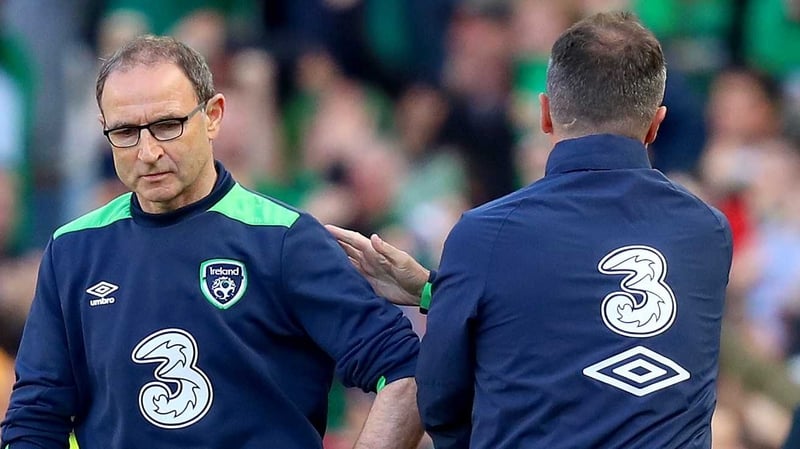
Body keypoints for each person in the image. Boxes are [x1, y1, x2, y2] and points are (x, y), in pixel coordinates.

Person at [327, 11, 733, 449]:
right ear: (656, 123)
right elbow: (577, 318)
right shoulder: (708, 232)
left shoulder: (486, 233)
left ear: (545, 115)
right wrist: (435, 291)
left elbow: (441, 401)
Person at [1, 35, 423, 449]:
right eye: (126, 132)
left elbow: (407, 373)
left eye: (167, 125)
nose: (147, 151)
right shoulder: (74, 249)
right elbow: (36, 419)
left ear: (213, 115)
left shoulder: (284, 240)